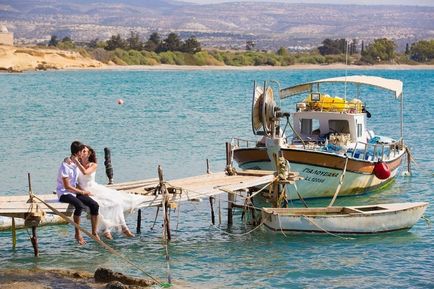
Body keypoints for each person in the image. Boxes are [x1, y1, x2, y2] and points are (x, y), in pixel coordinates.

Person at [73, 145, 144, 239]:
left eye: (84, 151)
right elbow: (74, 181)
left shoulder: (93, 164)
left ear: (89, 153)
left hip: (94, 188)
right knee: (102, 204)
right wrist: (81, 190)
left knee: (116, 202)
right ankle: (107, 229)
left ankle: (123, 227)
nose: (82, 153)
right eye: (81, 151)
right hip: (83, 190)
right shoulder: (75, 166)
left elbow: (86, 172)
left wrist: (76, 162)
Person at [56, 141, 100, 245]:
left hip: (74, 192)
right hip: (64, 193)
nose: (83, 154)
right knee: (79, 206)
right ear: (77, 153)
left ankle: (94, 232)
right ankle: (77, 234)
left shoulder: (75, 163)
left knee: (94, 205)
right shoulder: (65, 165)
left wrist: (83, 192)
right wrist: (82, 192)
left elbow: (76, 181)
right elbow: (67, 186)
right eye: (81, 152)